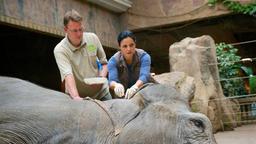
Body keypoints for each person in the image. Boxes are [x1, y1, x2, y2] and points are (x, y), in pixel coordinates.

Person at [54, 9, 111, 101]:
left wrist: (100, 79)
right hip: (78, 97)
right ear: (66, 30)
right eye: (75, 31)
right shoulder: (60, 50)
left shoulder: (93, 39)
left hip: (101, 93)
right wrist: (76, 97)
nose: (79, 34)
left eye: (81, 29)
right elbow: (68, 75)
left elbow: (104, 63)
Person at [108, 30, 153, 99]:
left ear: (135, 44)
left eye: (131, 45)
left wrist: (135, 87)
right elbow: (111, 80)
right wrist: (116, 85)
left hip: (143, 93)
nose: (128, 49)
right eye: (125, 46)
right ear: (120, 47)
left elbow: (145, 75)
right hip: (122, 96)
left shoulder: (144, 56)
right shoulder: (113, 61)